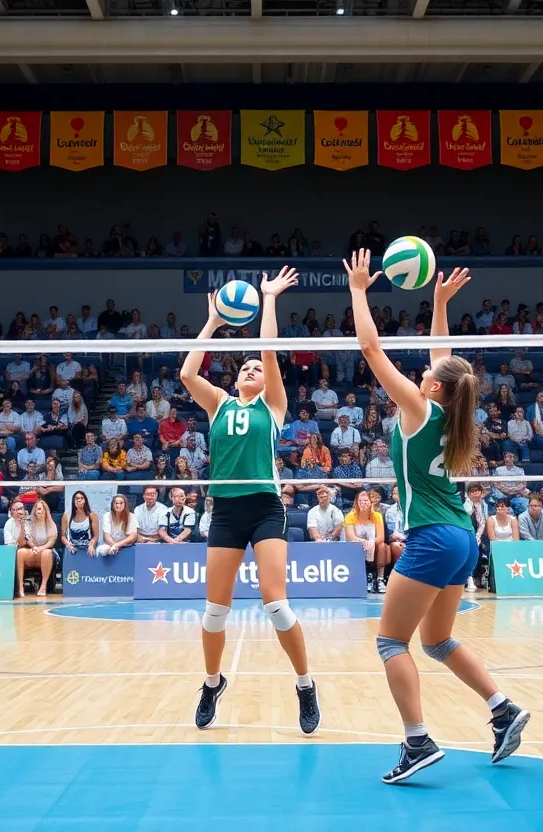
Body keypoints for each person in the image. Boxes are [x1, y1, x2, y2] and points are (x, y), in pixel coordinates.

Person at [344, 249, 528, 784]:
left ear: (432, 387)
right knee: (438, 641)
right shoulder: (455, 410)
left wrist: (358, 290)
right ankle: (503, 709)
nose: (421, 371)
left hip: (433, 536)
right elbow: (446, 358)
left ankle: (417, 740)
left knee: (390, 642)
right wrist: (440, 303)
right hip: (462, 538)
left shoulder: (419, 408)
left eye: (426, 373)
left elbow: (371, 347)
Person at [179, 266, 320, 735]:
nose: (252, 369)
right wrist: (214, 322)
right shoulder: (218, 402)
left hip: (264, 506)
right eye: (245, 367)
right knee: (214, 611)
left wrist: (269, 297)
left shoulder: (272, 406)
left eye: (257, 368)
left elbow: (269, 350)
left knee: (275, 604)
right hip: (225, 509)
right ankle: (212, 682)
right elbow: (186, 372)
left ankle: (304, 684)